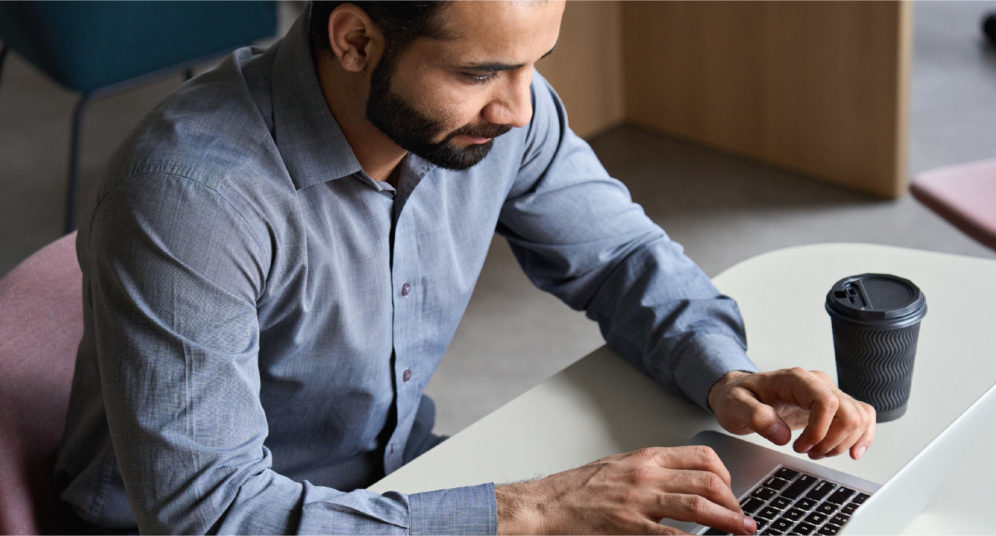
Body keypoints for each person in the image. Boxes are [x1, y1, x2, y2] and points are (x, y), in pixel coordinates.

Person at [54, 1, 876, 534]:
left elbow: (620, 258)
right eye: (479, 72)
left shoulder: (505, 117)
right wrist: (524, 511)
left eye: (533, 62)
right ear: (355, 39)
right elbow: (209, 512)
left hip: (404, 485)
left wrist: (725, 373)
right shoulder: (192, 197)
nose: (518, 109)